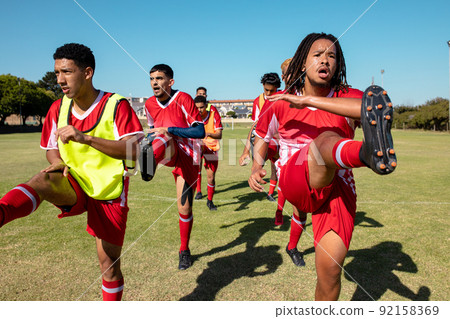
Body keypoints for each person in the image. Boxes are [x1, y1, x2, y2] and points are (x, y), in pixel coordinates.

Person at [249, 32, 396, 300]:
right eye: (317, 54)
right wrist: (256, 165)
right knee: (324, 141)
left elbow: (376, 107)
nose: (325, 60)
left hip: (338, 187)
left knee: (329, 275)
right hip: (296, 180)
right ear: (302, 63)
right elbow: (262, 136)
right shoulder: (280, 101)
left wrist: (308, 101)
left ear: (337, 65)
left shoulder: (348, 96)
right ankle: (366, 155)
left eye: (332, 56)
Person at [0, 43, 144, 301]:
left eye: (66, 72)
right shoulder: (58, 108)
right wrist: (57, 160)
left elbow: (134, 151)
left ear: (87, 73)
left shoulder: (115, 104)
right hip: (73, 181)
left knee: (109, 267)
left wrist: (86, 139)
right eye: (56, 73)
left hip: (107, 190)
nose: (60, 80)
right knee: (42, 179)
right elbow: (50, 149)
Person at [143, 64, 205, 270]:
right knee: (158, 137)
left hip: (188, 154)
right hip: (167, 149)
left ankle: (184, 250)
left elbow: (200, 132)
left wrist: (169, 128)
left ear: (170, 82)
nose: (154, 82)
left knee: (184, 207)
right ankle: (146, 163)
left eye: (159, 78)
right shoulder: (149, 104)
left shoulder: (184, 99)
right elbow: (153, 130)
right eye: (152, 78)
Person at [239, 73, 280, 204]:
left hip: (282, 141)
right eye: (266, 90)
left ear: (278, 88)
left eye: (272, 91)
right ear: (262, 86)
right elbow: (255, 127)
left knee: (278, 170)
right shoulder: (258, 101)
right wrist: (245, 151)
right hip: (267, 141)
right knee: (272, 166)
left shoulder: (283, 98)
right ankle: (264, 184)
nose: (268, 93)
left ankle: (271, 194)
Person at [194, 95, 223, 211]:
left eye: (201, 107)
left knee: (211, 177)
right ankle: (198, 192)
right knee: (195, 170)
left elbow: (219, 135)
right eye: (197, 108)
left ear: (206, 106)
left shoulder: (213, 114)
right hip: (198, 146)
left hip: (211, 147)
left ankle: (210, 201)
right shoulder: (192, 117)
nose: (199, 110)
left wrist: (208, 134)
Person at [194, 86, 215, 200]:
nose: (201, 95)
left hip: (209, 143)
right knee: (197, 167)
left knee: (210, 171)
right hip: (197, 143)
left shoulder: (211, 108)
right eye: (199, 93)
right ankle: (198, 191)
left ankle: (210, 190)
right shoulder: (193, 108)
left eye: (203, 93)